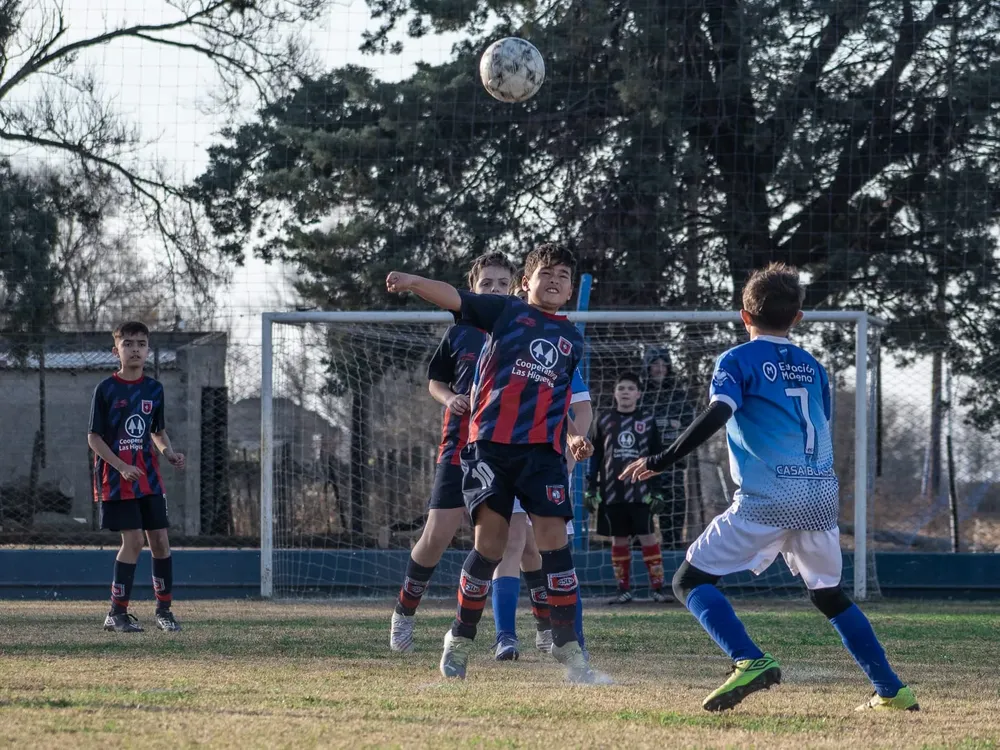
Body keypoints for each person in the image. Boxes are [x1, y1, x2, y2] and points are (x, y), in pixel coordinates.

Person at [620, 263, 918, 713]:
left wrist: (661, 460)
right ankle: (892, 690)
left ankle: (748, 659)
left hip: (769, 498)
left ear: (744, 315)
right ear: (797, 317)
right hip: (818, 494)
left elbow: (719, 412)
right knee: (828, 595)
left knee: (689, 580)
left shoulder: (737, 360)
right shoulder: (816, 368)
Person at [386, 243, 610, 684]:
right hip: (490, 448)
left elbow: (566, 401)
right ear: (526, 283)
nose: (555, 281)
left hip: (543, 456)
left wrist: (576, 436)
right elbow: (455, 297)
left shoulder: (571, 339)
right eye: (546, 272)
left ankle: (569, 651)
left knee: (552, 545)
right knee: (490, 545)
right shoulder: (505, 313)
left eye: (563, 276)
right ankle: (460, 638)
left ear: (569, 291)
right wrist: (413, 283)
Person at [389, 252, 516, 652]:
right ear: (472, 288)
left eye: (502, 285)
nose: (494, 291)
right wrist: (450, 398)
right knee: (437, 534)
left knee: (504, 542)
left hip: (502, 450)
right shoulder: (460, 331)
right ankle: (403, 615)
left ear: (513, 289)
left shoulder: (520, 329)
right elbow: (435, 381)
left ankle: (475, 630)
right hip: (458, 447)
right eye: (486, 285)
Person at [88, 321, 185, 633]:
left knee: (159, 540)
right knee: (133, 539)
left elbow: (156, 431)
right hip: (117, 479)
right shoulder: (106, 389)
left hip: (149, 478)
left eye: (141, 344)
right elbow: (94, 438)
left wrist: (168, 452)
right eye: (128, 343)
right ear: (116, 350)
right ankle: (116, 613)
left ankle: (164, 611)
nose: (135, 349)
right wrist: (120, 466)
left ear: (148, 350)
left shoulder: (154, 389)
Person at [492, 364, 592, 661]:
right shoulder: (502, 348)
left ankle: (569, 638)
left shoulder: (558, 351)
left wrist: (573, 448)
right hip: (507, 459)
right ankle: (505, 637)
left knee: (549, 551)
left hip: (548, 464)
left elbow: (581, 410)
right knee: (511, 544)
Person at [586, 373, 672, 604]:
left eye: (630, 388)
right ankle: (622, 590)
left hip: (640, 492)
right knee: (619, 539)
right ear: (614, 393)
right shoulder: (603, 420)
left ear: (638, 394)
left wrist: (657, 489)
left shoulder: (647, 420)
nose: (625, 392)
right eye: (621, 388)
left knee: (648, 536)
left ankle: (658, 589)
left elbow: (656, 456)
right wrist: (590, 486)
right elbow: (595, 457)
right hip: (612, 492)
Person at [641, 349, 694, 550]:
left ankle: (673, 545)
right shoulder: (641, 394)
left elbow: (690, 424)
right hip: (645, 462)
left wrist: (676, 425)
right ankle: (641, 548)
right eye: (655, 364)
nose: (659, 368)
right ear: (648, 367)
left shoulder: (679, 396)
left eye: (664, 364)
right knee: (644, 506)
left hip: (673, 462)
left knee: (674, 505)